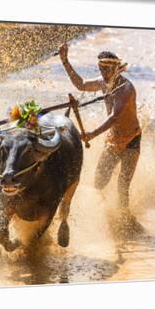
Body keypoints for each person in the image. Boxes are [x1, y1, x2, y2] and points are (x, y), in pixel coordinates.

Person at [58, 43, 141, 214]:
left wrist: (92, 134)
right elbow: (80, 84)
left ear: (117, 69)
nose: (103, 73)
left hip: (131, 140)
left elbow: (115, 117)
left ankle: (125, 219)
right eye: (100, 69)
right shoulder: (103, 83)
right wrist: (65, 61)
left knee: (123, 184)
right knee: (99, 182)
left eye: (107, 69)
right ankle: (105, 213)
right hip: (113, 140)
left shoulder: (126, 88)